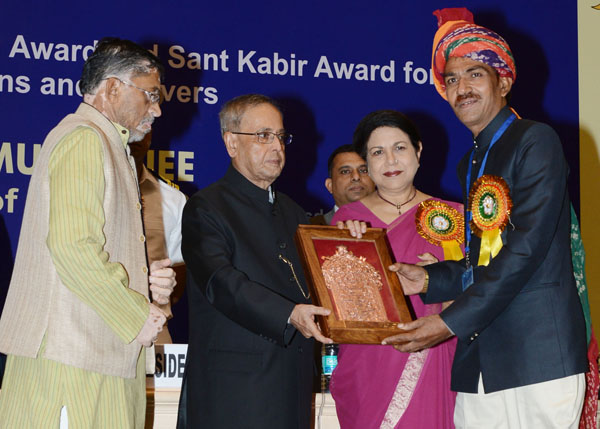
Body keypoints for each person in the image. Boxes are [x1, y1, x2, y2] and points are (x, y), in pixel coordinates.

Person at [383, 8, 588, 428]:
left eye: (475, 74)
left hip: (538, 356)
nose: (462, 89)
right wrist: (426, 280)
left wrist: (446, 322)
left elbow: (524, 250)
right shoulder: (470, 163)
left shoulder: (535, 140)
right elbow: (483, 260)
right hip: (482, 359)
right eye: (452, 79)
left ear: (504, 81)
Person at [0, 37, 176, 428]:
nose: (157, 109)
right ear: (113, 88)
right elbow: (73, 248)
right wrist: (135, 311)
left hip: (100, 356)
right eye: (149, 95)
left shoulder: (110, 144)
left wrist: (145, 285)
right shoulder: (84, 138)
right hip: (70, 360)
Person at [177, 94, 332, 428]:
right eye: (263, 136)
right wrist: (288, 314)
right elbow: (221, 282)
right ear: (231, 143)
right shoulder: (206, 208)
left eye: (280, 136)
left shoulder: (294, 212)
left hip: (291, 384)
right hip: (234, 391)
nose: (276, 146)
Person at [329, 110, 461, 428]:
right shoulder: (347, 220)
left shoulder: (451, 217)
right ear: (367, 163)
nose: (390, 160)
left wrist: (441, 280)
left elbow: (476, 297)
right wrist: (344, 250)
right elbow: (338, 305)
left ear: (418, 151)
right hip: (367, 368)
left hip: (434, 360)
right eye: (378, 152)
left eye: (399, 148)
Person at [130, 133, 187, 344]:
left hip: (155, 330)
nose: (135, 140)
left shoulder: (174, 200)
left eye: (143, 132)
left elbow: (178, 280)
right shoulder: (91, 190)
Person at [311, 144, 375, 225]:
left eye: (364, 170)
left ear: (375, 181)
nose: (356, 177)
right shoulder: (309, 228)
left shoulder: (392, 226)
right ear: (330, 185)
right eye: (345, 171)